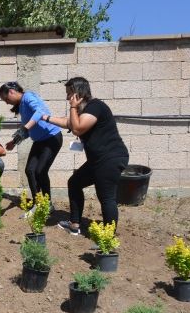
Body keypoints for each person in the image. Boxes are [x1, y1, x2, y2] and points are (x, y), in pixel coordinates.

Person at [41, 77, 129, 235]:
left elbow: (78, 128)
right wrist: (46, 118)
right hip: (97, 161)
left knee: (106, 197)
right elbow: (70, 123)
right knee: (74, 183)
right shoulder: (85, 111)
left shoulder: (96, 106)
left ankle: (108, 238)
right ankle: (74, 224)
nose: (67, 98)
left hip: (110, 158)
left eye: (69, 94)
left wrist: (73, 108)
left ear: (78, 93)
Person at [0, 81, 62, 217]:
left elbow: (40, 111)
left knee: (40, 171)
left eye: (6, 99)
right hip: (39, 141)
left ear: (11, 92)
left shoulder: (28, 97)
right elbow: (27, 130)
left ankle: (47, 204)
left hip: (51, 137)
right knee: (30, 170)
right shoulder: (21, 106)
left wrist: (25, 127)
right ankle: (38, 203)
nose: (7, 103)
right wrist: (14, 142)